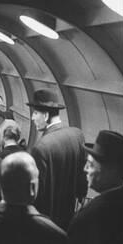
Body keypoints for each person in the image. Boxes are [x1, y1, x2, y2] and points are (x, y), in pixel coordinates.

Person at [27, 88, 87, 230]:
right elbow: (82, 175)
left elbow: (38, 195)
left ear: (46, 115)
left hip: (47, 223)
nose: (32, 118)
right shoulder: (77, 135)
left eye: (35, 113)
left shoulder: (41, 148)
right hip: (69, 216)